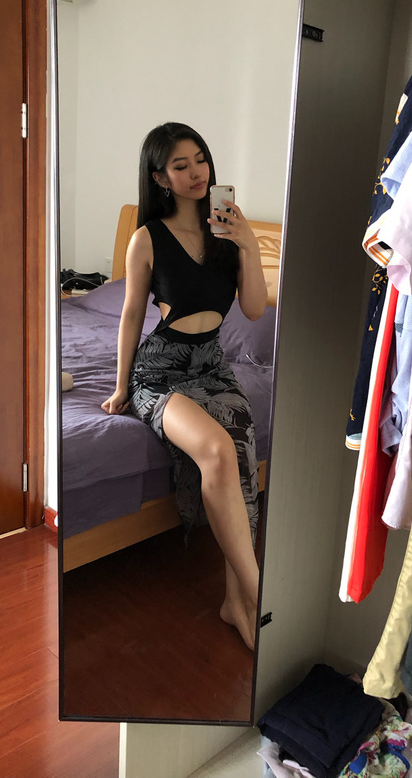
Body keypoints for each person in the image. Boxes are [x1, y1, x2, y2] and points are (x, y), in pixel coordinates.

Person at [102, 122, 267, 650]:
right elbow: (131, 314)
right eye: (181, 165)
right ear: (160, 177)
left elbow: (255, 309)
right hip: (161, 372)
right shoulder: (147, 238)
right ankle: (262, 597)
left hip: (213, 366)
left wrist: (248, 245)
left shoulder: (228, 232)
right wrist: (121, 386)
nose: (197, 172)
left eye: (200, 159)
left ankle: (236, 603)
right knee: (216, 448)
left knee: (240, 455)